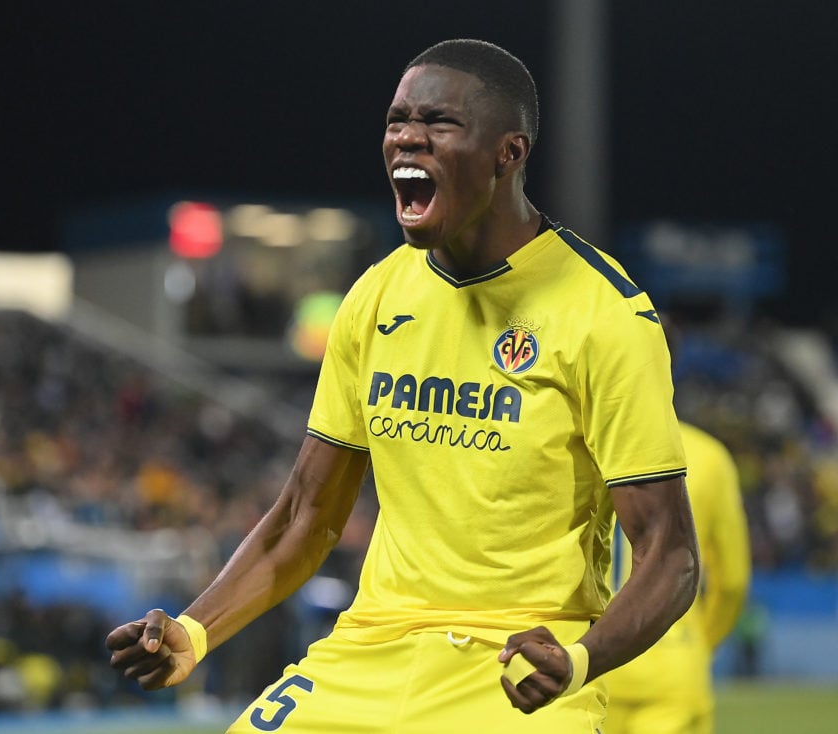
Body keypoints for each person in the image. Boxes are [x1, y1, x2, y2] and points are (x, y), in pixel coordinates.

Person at [107, 38, 700, 732]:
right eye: (397, 121)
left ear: (509, 153)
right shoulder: (376, 297)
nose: (407, 138)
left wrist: (579, 659)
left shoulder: (605, 314)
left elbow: (670, 553)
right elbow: (307, 514)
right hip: (368, 652)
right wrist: (194, 631)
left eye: (440, 122)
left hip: (510, 667)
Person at [603, 321, 751, 734]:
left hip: (592, 662)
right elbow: (733, 581)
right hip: (672, 663)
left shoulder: (580, 445)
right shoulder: (708, 456)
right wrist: (698, 641)